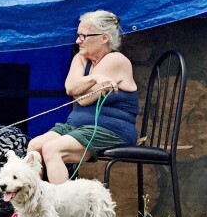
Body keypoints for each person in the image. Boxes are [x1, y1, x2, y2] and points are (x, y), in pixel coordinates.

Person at [27, 9, 139, 184]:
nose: (78, 41)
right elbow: (70, 88)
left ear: (104, 38)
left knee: (53, 149)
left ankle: (64, 209)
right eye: (78, 35)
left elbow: (84, 99)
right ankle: (33, 208)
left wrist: (82, 83)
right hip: (77, 127)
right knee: (35, 147)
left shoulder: (116, 60)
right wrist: (94, 78)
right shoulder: (81, 58)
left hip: (111, 130)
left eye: (83, 36)